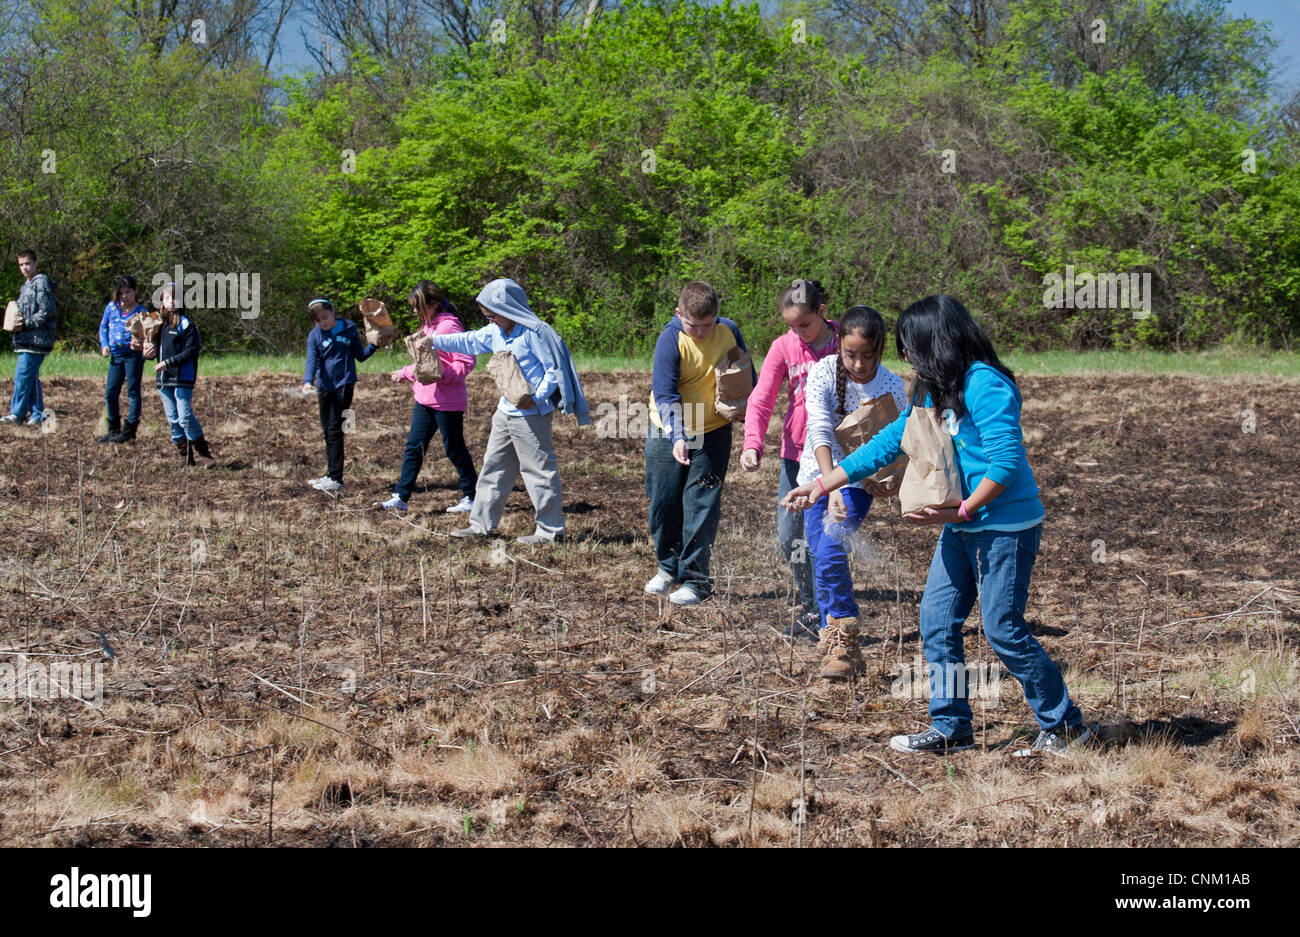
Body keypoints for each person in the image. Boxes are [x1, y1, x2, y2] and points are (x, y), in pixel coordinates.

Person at [784, 295, 1091, 755]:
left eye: (910, 345)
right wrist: (825, 484)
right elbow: (892, 441)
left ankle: (1066, 726)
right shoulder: (933, 386)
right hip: (962, 524)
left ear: (936, 341)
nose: (904, 355)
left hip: (1004, 526)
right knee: (936, 620)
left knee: (1003, 627)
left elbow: (1006, 465)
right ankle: (952, 728)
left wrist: (964, 510)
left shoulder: (986, 385)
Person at [421, 277, 589, 544]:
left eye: (493, 314)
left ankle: (550, 531)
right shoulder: (494, 332)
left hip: (532, 415)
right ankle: (480, 525)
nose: (490, 320)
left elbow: (553, 371)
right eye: (486, 315)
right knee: (493, 468)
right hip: (504, 414)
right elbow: (468, 341)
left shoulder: (534, 333)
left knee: (539, 472)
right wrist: (433, 341)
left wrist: (537, 398)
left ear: (509, 309)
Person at [798, 305, 906, 677]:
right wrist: (831, 487)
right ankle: (837, 644)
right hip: (816, 476)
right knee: (822, 551)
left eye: (868, 356)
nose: (859, 364)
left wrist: (889, 480)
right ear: (839, 346)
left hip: (859, 482)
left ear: (881, 352)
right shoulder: (823, 372)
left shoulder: (893, 385)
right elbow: (819, 430)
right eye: (851, 354)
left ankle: (845, 632)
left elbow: (899, 444)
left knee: (829, 546)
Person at [644, 281, 753, 605]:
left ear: (717, 317)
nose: (702, 332)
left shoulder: (729, 330)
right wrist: (678, 436)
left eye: (708, 325)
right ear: (679, 315)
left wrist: (747, 409)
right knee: (663, 503)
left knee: (700, 506)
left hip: (714, 433)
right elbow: (665, 395)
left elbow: (747, 373)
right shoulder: (670, 339)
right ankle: (668, 567)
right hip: (667, 431)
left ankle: (696, 580)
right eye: (694, 325)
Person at [740, 279, 839, 637]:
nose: (798, 332)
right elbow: (762, 398)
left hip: (836, 457)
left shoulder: (846, 342)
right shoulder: (783, 346)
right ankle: (810, 597)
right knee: (790, 538)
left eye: (805, 325)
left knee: (823, 537)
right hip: (796, 455)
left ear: (822, 313)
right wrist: (753, 442)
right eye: (791, 325)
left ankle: (823, 611)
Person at [374, 281, 479, 514]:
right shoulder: (428, 325)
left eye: (417, 306)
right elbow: (425, 364)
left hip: (447, 402)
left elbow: (465, 363)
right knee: (414, 447)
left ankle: (472, 496)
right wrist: (404, 373)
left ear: (432, 304)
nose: (414, 311)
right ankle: (401, 497)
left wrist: (440, 375)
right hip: (424, 399)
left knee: (454, 448)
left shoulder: (449, 327)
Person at [302, 298, 380, 494]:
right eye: (318, 321)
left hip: (344, 385)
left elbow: (360, 356)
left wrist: (375, 345)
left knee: (335, 429)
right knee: (327, 431)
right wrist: (307, 381)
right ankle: (330, 474)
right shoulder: (315, 335)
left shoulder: (348, 328)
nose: (323, 323)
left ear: (332, 311)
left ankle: (337, 478)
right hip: (324, 387)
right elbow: (312, 359)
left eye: (325, 318)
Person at [141, 282, 216, 467]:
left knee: (184, 416)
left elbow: (191, 351)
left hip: (183, 377)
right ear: (162, 301)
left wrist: (169, 363)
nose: (171, 301)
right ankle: (185, 455)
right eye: (168, 297)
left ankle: (204, 453)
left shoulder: (187, 325)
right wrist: (147, 353)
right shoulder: (158, 324)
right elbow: (156, 351)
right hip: (164, 379)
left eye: (175, 297)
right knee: (173, 419)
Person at [4, 249, 56, 426]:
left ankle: (17, 413)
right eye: (21, 264)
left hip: (36, 340)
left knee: (22, 376)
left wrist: (25, 324)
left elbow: (46, 311)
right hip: (25, 340)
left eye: (27, 263)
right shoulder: (26, 285)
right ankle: (36, 414)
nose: (24, 268)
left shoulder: (40, 282)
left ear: (36, 263)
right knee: (31, 377)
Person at [97, 275, 148, 443]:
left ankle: (130, 429)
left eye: (127, 292)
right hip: (116, 356)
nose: (124, 296)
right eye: (121, 293)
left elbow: (151, 335)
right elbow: (103, 326)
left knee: (132, 392)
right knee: (110, 392)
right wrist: (104, 344)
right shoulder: (111, 308)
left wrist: (140, 343)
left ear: (135, 291)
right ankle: (113, 428)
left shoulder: (142, 311)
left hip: (133, 356)